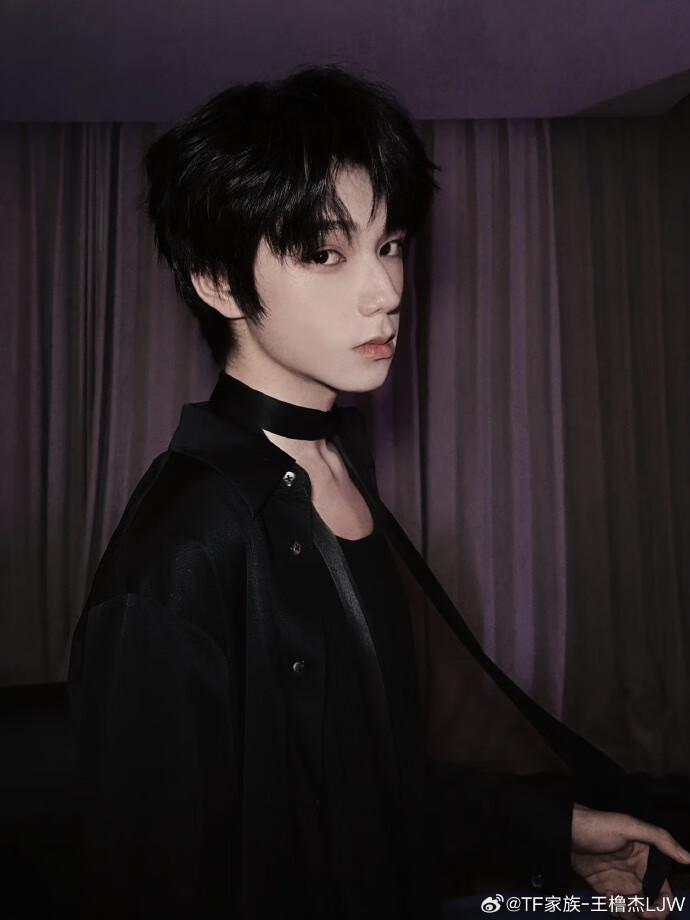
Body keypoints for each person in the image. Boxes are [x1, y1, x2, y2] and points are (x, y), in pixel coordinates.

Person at [67, 66, 690, 919]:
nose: (388, 291)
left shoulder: (334, 463)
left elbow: (368, 781)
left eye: (390, 243)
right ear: (218, 280)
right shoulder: (178, 553)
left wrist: (557, 830)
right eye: (327, 254)